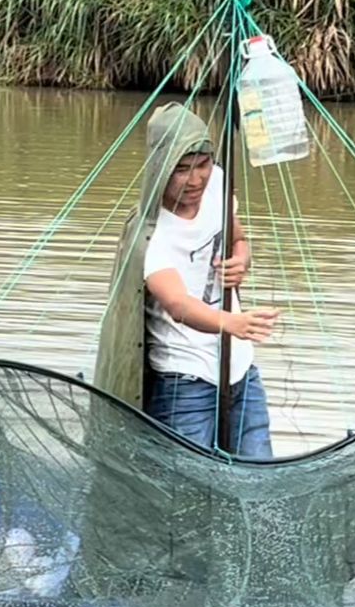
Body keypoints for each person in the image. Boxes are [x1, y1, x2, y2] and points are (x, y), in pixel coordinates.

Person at [92, 103, 279, 458]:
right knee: (187, 485)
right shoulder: (151, 234)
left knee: (258, 469)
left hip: (239, 369)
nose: (195, 181)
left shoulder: (219, 186)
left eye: (202, 166)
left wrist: (242, 260)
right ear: (161, 167)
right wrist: (231, 322)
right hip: (184, 381)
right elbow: (177, 304)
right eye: (181, 170)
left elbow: (239, 239)